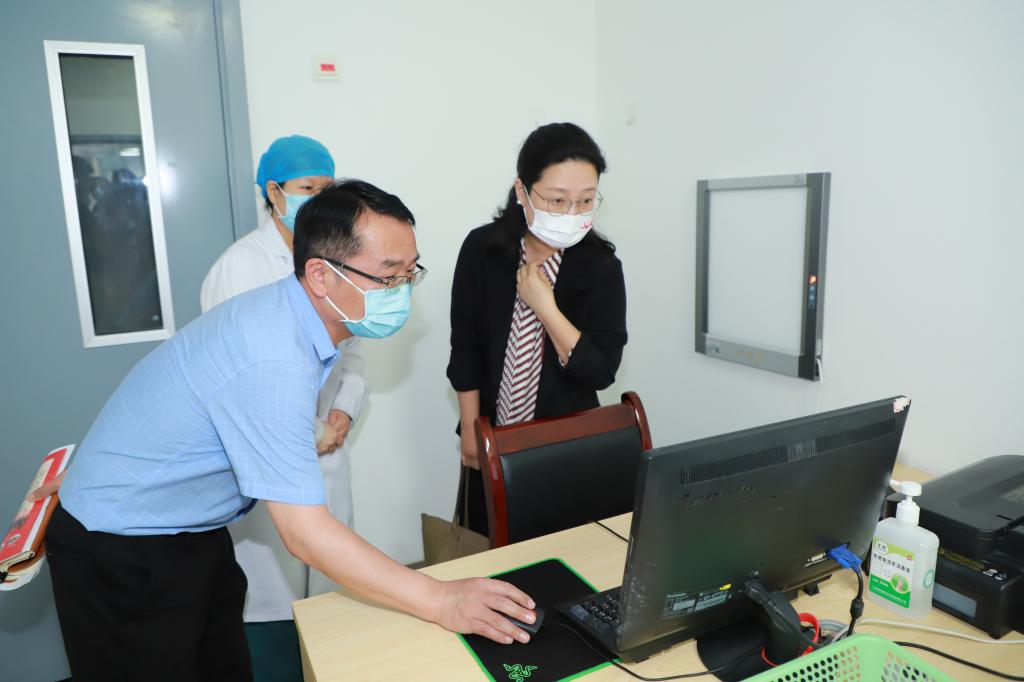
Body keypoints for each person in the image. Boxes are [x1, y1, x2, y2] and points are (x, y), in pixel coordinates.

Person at [44, 180, 538, 682]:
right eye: (389, 276)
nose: (403, 291)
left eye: (411, 273)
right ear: (321, 276)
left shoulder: (293, 317)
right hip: (122, 550)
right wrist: (441, 599)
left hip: (189, 530)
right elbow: (305, 534)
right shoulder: (272, 355)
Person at [200, 135, 368, 680]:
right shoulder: (240, 267)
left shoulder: (334, 259)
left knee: (332, 599)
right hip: (269, 458)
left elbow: (352, 346)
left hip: (328, 452)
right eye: (307, 189)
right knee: (272, 609)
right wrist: (312, 429)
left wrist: (343, 411)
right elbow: (242, 378)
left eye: (328, 188)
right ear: (274, 193)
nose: (320, 199)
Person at [447, 122, 627, 536]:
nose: (572, 213)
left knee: (559, 553)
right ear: (522, 191)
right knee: (490, 550)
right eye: (557, 200)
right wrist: (472, 430)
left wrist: (546, 307)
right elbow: (466, 348)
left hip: (566, 448)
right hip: (492, 437)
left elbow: (600, 371)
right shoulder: (482, 249)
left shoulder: (601, 267)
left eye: (586, 200)